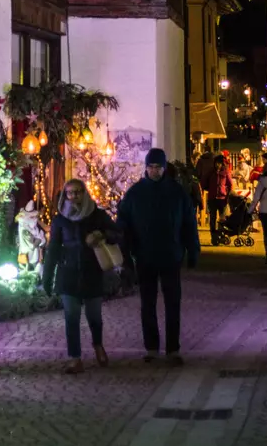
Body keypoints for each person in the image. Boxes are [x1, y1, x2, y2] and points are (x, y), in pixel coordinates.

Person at [118, 148, 200, 365]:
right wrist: (126, 254)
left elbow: (189, 223)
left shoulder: (176, 192)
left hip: (171, 255)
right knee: (148, 303)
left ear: (164, 168)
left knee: (173, 303)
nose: (154, 171)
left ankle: (173, 349)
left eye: (158, 167)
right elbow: (123, 225)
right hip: (145, 256)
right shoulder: (135, 193)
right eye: (151, 167)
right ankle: (152, 347)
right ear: (146, 168)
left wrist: (193, 251)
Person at [42, 178, 120, 373]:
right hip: (68, 273)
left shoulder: (97, 215)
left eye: (78, 192)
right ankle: (75, 358)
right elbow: (53, 249)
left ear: (84, 193)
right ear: (65, 196)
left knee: (94, 315)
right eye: (70, 193)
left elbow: (117, 233)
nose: (74, 196)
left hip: (91, 271)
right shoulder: (60, 219)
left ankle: (97, 345)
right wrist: (47, 277)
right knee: (71, 316)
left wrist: (102, 236)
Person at [200, 154, 232, 245]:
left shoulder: (226, 172)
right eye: (216, 163)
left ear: (222, 164)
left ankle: (221, 236)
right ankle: (214, 237)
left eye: (219, 163)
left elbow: (230, 185)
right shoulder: (210, 172)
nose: (217, 165)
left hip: (222, 198)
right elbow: (204, 182)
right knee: (212, 219)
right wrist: (209, 189)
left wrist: (227, 196)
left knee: (222, 219)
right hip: (212, 198)